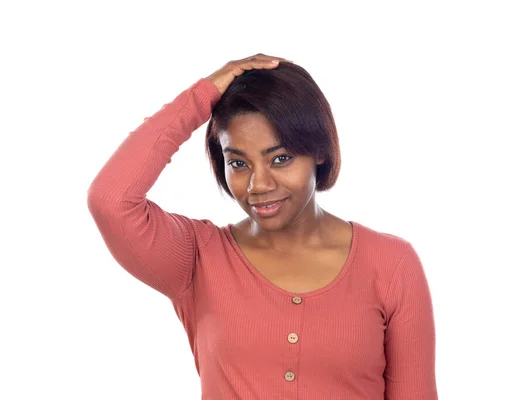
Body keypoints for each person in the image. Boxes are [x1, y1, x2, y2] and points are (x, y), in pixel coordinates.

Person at [87, 53, 438, 399]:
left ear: (318, 150)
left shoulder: (391, 263)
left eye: (280, 158)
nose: (258, 184)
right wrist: (202, 95)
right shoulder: (197, 259)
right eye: (238, 162)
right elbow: (111, 200)